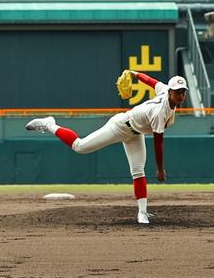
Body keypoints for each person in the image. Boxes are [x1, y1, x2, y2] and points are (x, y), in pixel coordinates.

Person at [26, 72, 188, 224]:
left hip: (135, 133)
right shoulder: (160, 111)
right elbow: (158, 142)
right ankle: (49, 124)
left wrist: (134, 73)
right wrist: (160, 169)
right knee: (80, 146)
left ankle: (142, 212)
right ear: (170, 92)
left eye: (182, 91)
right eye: (176, 91)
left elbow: (150, 81)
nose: (180, 95)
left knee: (138, 171)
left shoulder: (164, 90)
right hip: (120, 126)